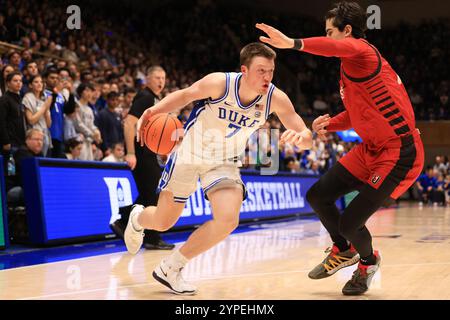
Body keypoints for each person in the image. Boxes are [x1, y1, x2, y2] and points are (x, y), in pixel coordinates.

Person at [256, 1, 424, 296]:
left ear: (348, 31)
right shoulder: (349, 68)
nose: (328, 37)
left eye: (331, 31)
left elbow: (333, 48)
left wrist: (293, 43)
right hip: (371, 147)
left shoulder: (363, 52)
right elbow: (360, 112)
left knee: (350, 222)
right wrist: (330, 124)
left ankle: (368, 263)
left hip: (400, 152)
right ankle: (344, 250)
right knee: (317, 196)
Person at [124, 42, 312, 294]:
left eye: (270, 71)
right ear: (244, 70)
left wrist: (305, 136)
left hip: (224, 160)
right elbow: (184, 95)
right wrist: (154, 110)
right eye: (261, 71)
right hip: (190, 152)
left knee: (228, 219)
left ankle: (172, 267)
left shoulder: (275, 98)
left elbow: (301, 129)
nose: (267, 77)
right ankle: (137, 218)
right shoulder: (221, 83)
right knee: (163, 221)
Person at [109, 66, 175, 251]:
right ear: (147, 79)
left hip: (150, 154)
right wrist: (130, 152)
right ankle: (152, 237)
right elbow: (129, 123)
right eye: (156, 77)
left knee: (149, 194)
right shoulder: (145, 97)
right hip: (141, 154)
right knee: (154, 194)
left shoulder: (156, 99)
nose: (160, 81)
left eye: (163, 78)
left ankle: (123, 221)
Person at [22, 75, 52, 157]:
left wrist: (46, 109)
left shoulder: (43, 99)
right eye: (36, 82)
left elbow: (49, 124)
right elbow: (31, 120)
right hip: (34, 135)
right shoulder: (27, 97)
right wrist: (45, 107)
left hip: (45, 134)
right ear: (30, 85)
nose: (39, 84)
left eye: (41, 82)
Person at [0, 71, 25, 165]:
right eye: (15, 80)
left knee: (18, 170)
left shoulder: (19, 99)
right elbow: (1, 122)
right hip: (10, 142)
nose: (19, 83)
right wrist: (6, 141)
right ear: (8, 83)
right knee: (10, 171)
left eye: (20, 81)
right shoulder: (4, 100)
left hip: (20, 142)